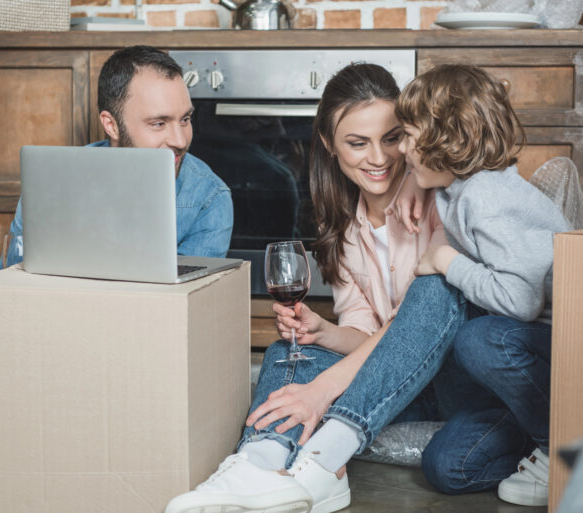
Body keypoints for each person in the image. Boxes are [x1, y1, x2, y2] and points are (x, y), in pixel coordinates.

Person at [165, 63, 478, 513]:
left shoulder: (438, 199)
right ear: (330, 145)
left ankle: (323, 462)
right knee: (289, 349)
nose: (379, 158)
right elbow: (370, 340)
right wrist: (324, 334)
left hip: (448, 379)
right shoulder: (345, 229)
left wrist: (322, 390)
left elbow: (416, 329)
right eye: (357, 143)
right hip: (387, 384)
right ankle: (258, 464)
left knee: (435, 289)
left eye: (391, 139)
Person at [0, 45, 234, 441]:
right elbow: (2, 289)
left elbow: (188, 325)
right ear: (111, 125)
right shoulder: (56, 180)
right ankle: (58, 421)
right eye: (159, 123)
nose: (180, 139)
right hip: (45, 343)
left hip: (135, 356)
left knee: (160, 377)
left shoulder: (210, 199)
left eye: (185, 119)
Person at [393, 64, 570, 507]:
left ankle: (565, 449)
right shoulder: (457, 188)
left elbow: (521, 302)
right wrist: (413, 185)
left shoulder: (486, 197)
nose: (401, 148)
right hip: (522, 372)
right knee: (448, 467)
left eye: (409, 135)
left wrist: (446, 260)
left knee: (479, 339)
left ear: (447, 140)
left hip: (554, 349)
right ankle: (527, 434)